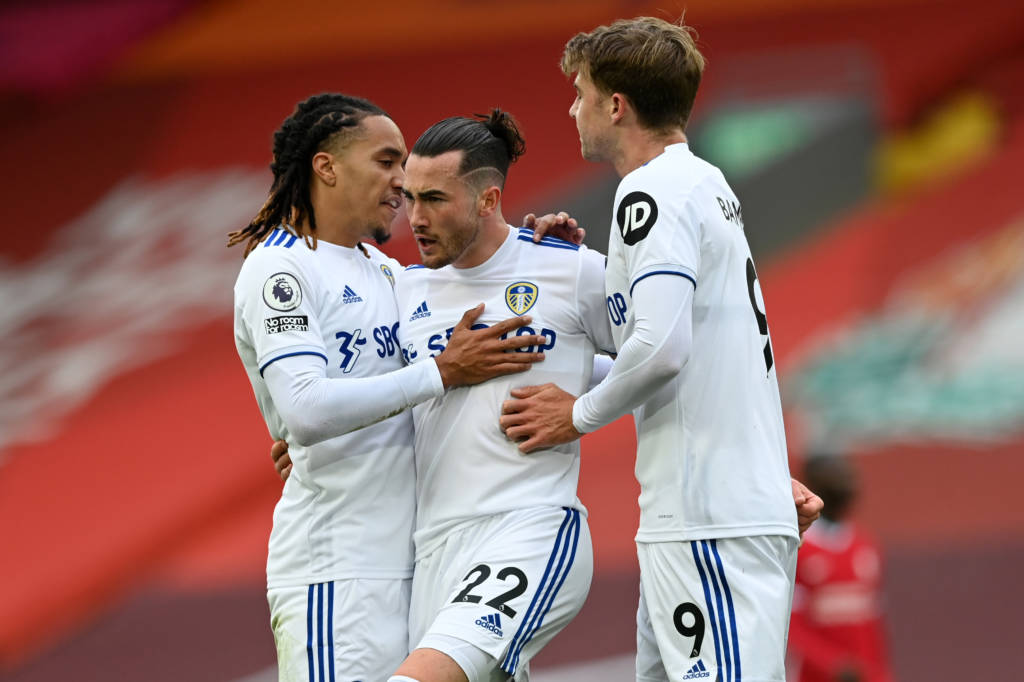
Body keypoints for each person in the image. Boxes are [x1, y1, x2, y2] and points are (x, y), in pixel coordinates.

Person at [499, 17, 805, 682]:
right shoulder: (704, 183)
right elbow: (686, 343)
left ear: (616, 105)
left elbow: (662, 349)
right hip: (708, 511)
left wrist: (574, 415)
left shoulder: (652, 191)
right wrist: (577, 270)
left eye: (580, 93)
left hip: (708, 519)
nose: (572, 109)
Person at [230, 93, 554, 682]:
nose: (402, 182)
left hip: (425, 564)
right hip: (341, 574)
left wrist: (527, 253)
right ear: (326, 167)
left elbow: (476, 344)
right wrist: (440, 372)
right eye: (386, 162)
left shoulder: (386, 271)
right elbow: (306, 410)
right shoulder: (281, 268)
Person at [386, 110, 616, 682]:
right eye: (409, 198)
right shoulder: (403, 290)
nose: (416, 218)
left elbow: (667, 353)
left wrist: (581, 411)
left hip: (529, 526)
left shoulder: (570, 268)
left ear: (489, 199)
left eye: (434, 199)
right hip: (434, 547)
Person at [787, 455, 896, 682]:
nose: (846, 484)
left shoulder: (865, 546)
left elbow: (873, 623)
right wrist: (831, 663)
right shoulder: (798, 548)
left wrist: (881, 674)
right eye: (836, 476)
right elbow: (792, 627)